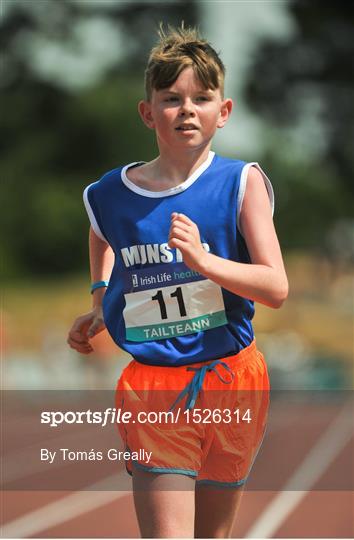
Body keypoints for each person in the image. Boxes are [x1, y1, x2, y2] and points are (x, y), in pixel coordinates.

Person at [67, 24, 288, 539]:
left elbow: (275, 287)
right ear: (149, 113)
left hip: (232, 380)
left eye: (201, 98)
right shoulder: (111, 193)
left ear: (223, 111)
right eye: (171, 98)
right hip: (154, 385)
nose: (187, 109)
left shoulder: (240, 182)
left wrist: (204, 261)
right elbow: (101, 235)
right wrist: (102, 299)